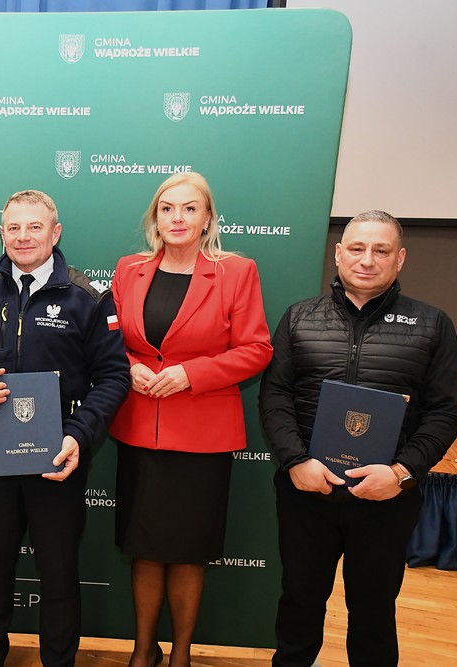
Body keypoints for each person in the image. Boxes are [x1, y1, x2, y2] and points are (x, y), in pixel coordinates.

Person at [259, 210, 457, 667]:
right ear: (338, 253)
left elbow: (447, 411)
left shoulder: (433, 324)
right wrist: (295, 461)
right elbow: (275, 396)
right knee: (298, 603)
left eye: (381, 250)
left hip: (386, 499)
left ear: (400, 258)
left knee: (373, 613)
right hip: (307, 493)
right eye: (356, 248)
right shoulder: (299, 318)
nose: (367, 259)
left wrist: (402, 472)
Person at [0, 189, 130, 667]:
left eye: (34, 227)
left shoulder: (88, 298)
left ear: (55, 232)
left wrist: (79, 434)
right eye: (14, 227)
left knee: (59, 572)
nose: (23, 236)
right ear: (1, 233)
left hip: (58, 459)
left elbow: (114, 377)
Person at [108, 172, 272, 667]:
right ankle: (143, 652)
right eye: (167, 208)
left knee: (188, 551)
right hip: (140, 428)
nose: (177, 218)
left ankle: (181, 655)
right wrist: (129, 367)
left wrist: (190, 374)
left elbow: (257, 349)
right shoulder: (129, 269)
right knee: (144, 547)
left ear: (208, 218)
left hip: (203, 438)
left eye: (189, 208)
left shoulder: (236, 272)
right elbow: (107, 337)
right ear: (154, 219)